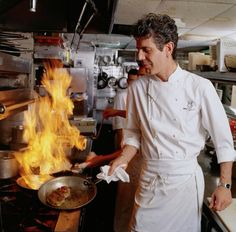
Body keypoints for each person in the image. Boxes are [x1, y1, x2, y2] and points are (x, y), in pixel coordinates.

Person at [108, 13, 236, 232]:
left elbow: (223, 140)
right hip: (149, 179)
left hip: (183, 184)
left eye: (146, 50)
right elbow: (133, 134)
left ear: (168, 48)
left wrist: (225, 186)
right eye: (138, 49)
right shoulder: (137, 89)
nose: (139, 56)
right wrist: (123, 158)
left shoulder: (199, 87)